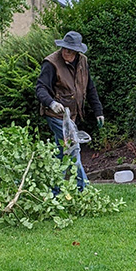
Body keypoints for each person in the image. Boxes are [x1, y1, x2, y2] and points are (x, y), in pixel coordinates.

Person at [35, 30, 104, 191]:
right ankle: (84, 189)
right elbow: (40, 88)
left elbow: (90, 87)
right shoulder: (51, 63)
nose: (66, 52)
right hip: (56, 114)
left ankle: (54, 190)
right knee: (74, 147)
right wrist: (51, 103)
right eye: (65, 49)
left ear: (77, 51)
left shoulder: (82, 62)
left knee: (61, 153)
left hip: (72, 115)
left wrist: (98, 111)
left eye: (70, 50)